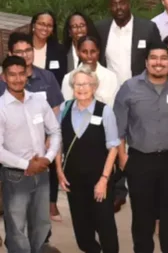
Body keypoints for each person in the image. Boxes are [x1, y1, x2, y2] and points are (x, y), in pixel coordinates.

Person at [114, 42, 168, 253]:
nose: (159, 63)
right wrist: (123, 159)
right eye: (154, 58)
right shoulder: (129, 88)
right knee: (141, 216)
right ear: (146, 62)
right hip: (140, 161)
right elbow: (118, 128)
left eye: (163, 58)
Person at [1, 32, 66, 226]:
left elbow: (55, 110)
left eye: (28, 50)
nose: (24, 55)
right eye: (19, 51)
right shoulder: (3, 83)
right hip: (10, 157)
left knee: (39, 216)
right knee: (15, 211)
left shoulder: (46, 77)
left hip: (42, 149)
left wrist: (48, 143)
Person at [55, 65, 119, 253]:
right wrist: (59, 171)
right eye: (77, 84)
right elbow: (57, 142)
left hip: (99, 179)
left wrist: (104, 180)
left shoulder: (104, 111)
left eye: (86, 84)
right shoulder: (65, 109)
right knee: (82, 230)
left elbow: (113, 147)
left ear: (94, 86)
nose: (81, 88)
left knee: (105, 226)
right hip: (73, 179)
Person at [96, 0, 163, 86]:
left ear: (129, 4)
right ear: (109, 7)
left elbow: (158, 59)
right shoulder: (101, 29)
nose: (118, 7)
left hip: (140, 90)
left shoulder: (148, 28)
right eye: (114, 4)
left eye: (122, 3)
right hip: (109, 92)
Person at [61, 35, 119, 107]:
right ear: (78, 52)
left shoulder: (111, 77)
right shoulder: (69, 78)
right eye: (84, 52)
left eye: (93, 51)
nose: (89, 56)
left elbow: (112, 107)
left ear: (98, 52)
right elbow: (67, 107)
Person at [30, 11, 68, 85]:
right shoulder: (22, 46)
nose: (45, 28)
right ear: (33, 25)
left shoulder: (59, 50)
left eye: (49, 25)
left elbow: (61, 79)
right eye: (41, 24)